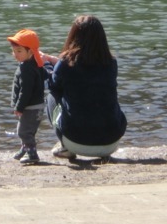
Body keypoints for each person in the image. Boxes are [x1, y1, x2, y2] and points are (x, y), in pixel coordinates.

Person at [44, 15, 127, 161]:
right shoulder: (111, 62)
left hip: (76, 140)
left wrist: (47, 66)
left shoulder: (65, 62)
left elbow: (53, 85)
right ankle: (102, 149)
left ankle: (65, 147)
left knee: (51, 96)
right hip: (111, 141)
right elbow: (87, 73)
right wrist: (57, 64)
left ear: (74, 35)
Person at [6, 29, 47, 164]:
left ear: (30, 52)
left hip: (30, 107)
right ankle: (25, 149)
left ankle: (32, 154)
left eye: (19, 51)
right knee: (28, 130)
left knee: (24, 131)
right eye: (14, 51)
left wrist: (19, 107)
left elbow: (25, 91)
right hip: (38, 105)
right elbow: (45, 75)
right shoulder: (36, 64)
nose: (15, 54)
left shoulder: (26, 69)